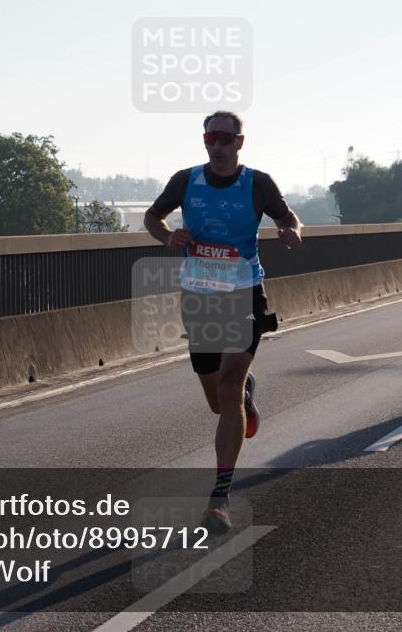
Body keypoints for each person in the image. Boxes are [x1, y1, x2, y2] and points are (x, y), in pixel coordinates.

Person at [144, 111, 302, 534]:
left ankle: (218, 498)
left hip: (243, 292)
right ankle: (246, 393)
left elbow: (288, 218)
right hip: (199, 296)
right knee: (219, 402)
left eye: (225, 139)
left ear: (239, 143)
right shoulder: (186, 180)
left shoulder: (257, 183)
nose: (217, 146)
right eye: (210, 138)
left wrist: (291, 231)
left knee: (228, 390)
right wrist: (167, 236)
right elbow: (152, 218)